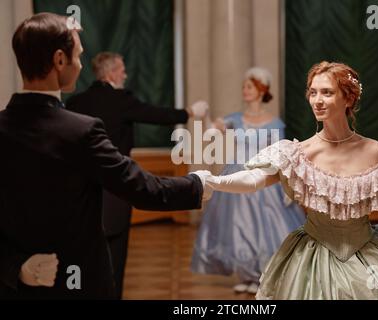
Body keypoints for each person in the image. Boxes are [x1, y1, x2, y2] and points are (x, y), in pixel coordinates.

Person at [193, 61, 378, 299]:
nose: (317, 100)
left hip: (369, 257)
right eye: (312, 92)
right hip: (311, 258)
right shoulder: (299, 153)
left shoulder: (375, 152)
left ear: (348, 98)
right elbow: (254, 179)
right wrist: (212, 181)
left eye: (326, 92)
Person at [0, 12, 205, 299]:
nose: (81, 63)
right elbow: (143, 188)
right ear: (60, 60)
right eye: (78, 55)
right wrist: (201, 184)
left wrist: (16, 267)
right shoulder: (80, 130)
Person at [66, 52, 208, 299]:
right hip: (115, 188)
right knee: (115, 255)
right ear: (110, 73)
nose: (125, 74)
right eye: (121, 69)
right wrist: (189, 112)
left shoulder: (75, 102)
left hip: (81, 191)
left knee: (85, 253)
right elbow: (156, 115)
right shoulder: (121, 99)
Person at [191, 67, 306, 294]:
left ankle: (263, 275)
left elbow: (282, 154)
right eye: (244, 86)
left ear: (262, 90)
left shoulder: (275, 123)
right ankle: (247, 274)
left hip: (264, 178)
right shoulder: (235, 119)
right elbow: (209, 133)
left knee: (267, 228)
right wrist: (203, 115)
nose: (244, 90)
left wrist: (287, 185)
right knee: (239, 227)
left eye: (249, 86)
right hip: (238, 175)